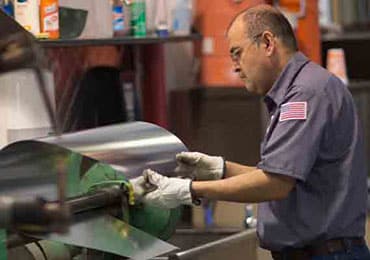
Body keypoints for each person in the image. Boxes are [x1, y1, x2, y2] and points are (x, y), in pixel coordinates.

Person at [131, 4, 370, 260]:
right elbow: (284, 174)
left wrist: (190, 190)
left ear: (267, 43)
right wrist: (220, 169)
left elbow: (275, 184)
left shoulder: (305, 95)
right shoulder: (303, 89)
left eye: (237, 53)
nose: (235, 66)